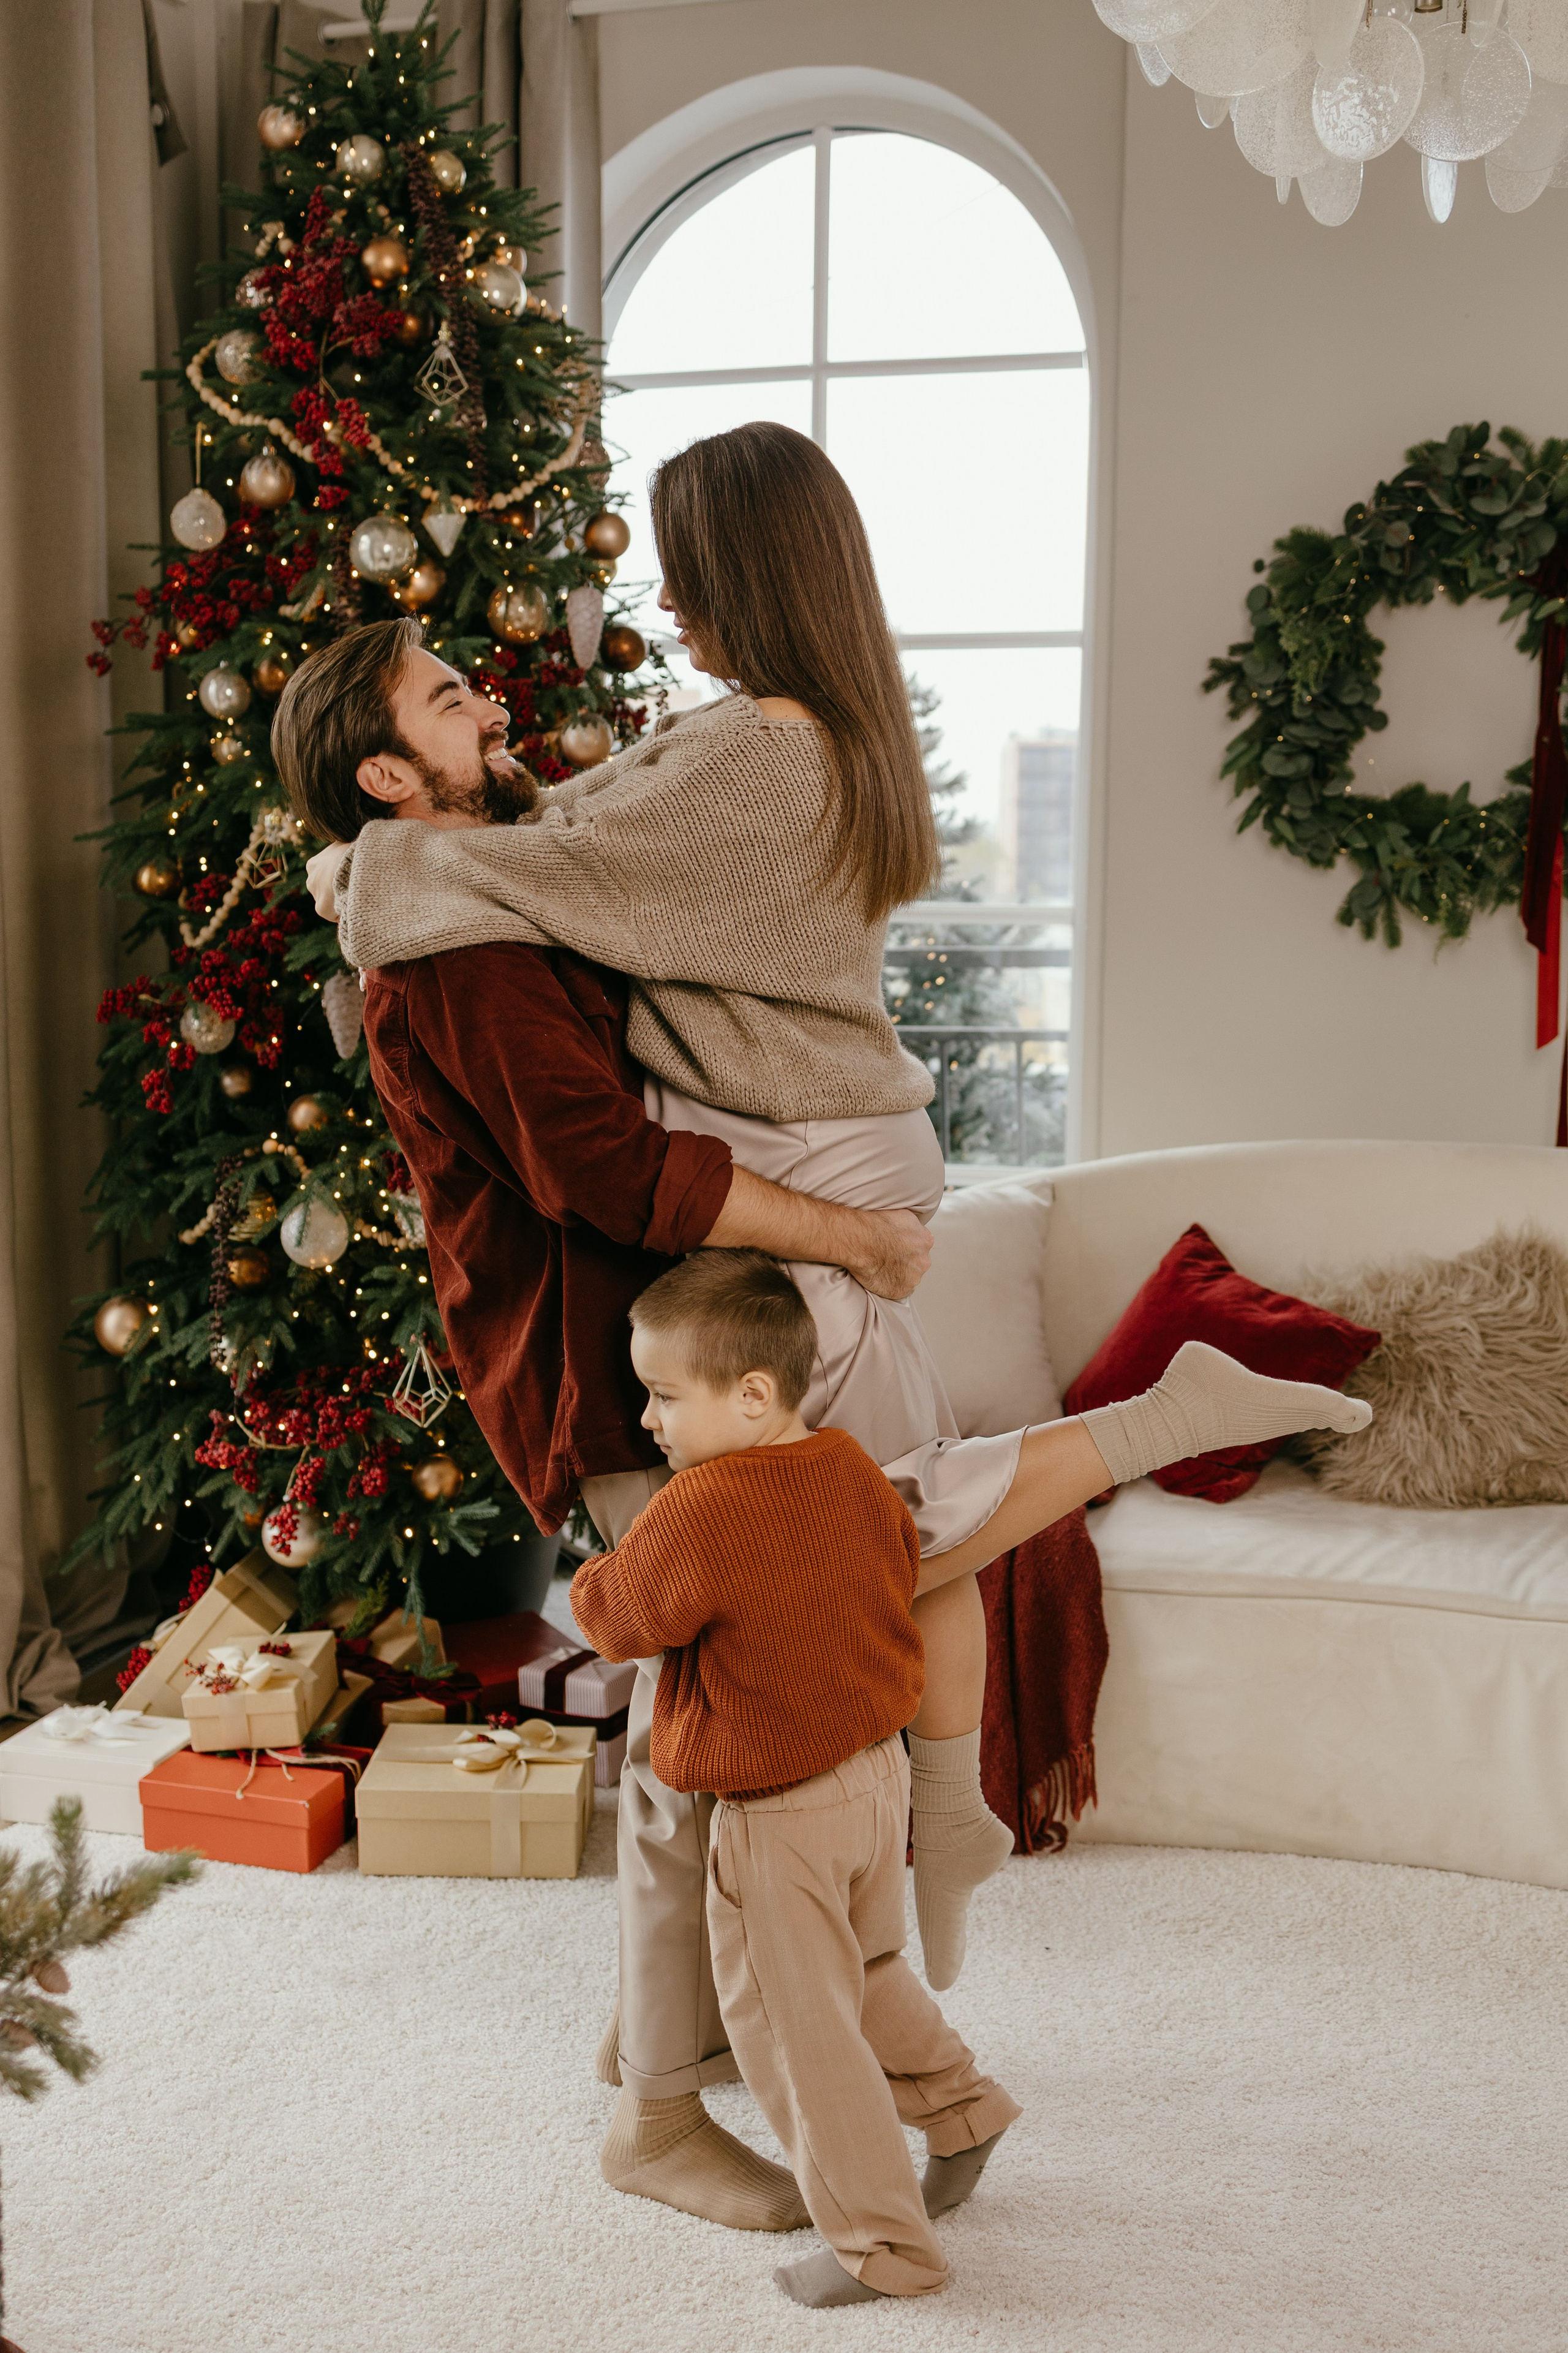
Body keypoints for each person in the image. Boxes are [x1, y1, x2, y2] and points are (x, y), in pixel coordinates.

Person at [304, 423, 1373, 1995]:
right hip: (821, 1150)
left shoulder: (756, 753)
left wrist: (369, 869)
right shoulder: (793, 732)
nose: (663, 601)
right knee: (894, 1533)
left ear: (747, 571)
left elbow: (546, 867)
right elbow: (563, 843)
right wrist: (414, 845)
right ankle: (887, 1878)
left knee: (885, 1531)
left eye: (683, 568)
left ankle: (909, 1853)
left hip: (806, 1166)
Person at [271, 616, 937, 2237]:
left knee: (695, 1724)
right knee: (695, 1744)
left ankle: (665, 2030)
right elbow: (605, 1175)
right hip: (605, 1369)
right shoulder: (460, 949)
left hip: (640, 1350)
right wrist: (854, 1238)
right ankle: (653, 2116)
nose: (487, 703)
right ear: (387, 774)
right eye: (448, 699)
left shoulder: (481, 885)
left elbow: (618, 851)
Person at [570, 1250, 1023, 2310]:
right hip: (874, 1784)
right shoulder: (852, 1467)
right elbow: (893, 1569)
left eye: (664, 1396)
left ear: (754, 1395)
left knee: (794, 2026)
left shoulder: (700, 1508)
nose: (648, 1422)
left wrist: (607, 1555)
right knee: (864, 1975)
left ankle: (884, 2245)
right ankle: (964, 2111)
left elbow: (612, 1617)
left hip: (780, 1816)